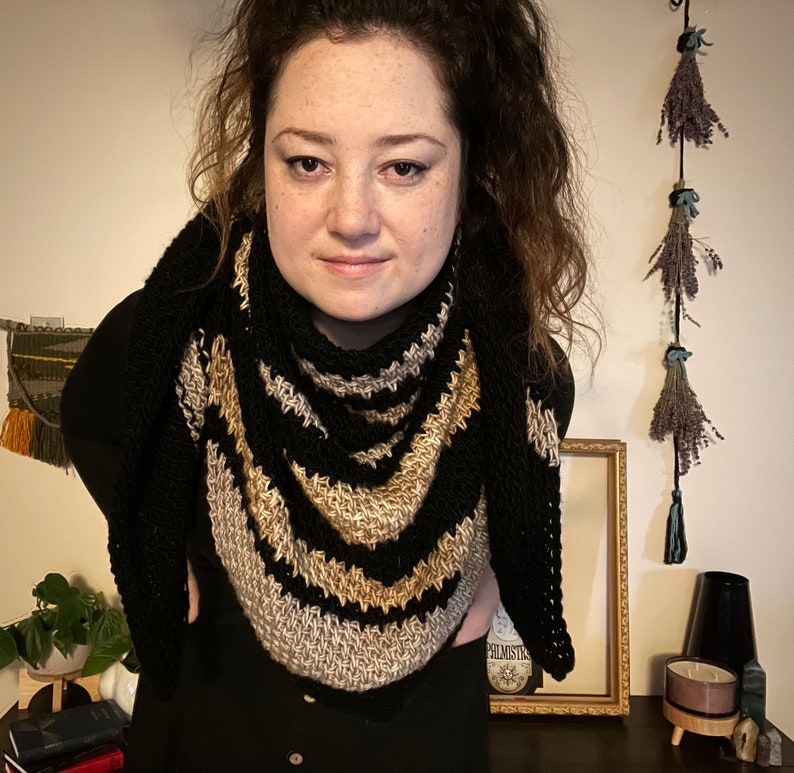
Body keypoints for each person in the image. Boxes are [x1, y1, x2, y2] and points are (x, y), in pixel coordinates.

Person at [61, 0, 593, 770]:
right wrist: (150, 527)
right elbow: (91, 416)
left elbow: (531, 464)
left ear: (471, 171)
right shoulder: (165, 335)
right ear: (263, 162)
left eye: (404, 166)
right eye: (308, 161)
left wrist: (485, 563)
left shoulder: (520, 373)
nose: (351, 217)